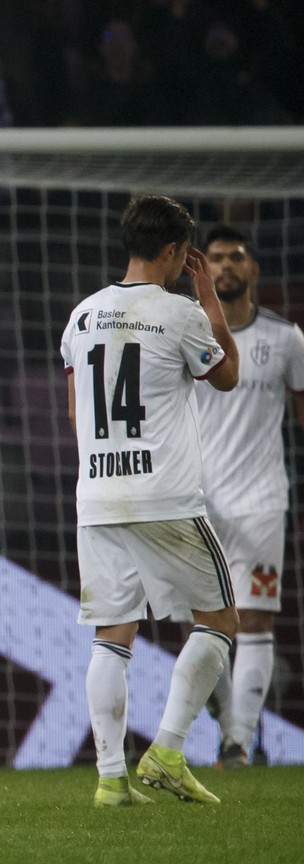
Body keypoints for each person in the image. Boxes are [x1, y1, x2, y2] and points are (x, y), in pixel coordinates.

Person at [60, 195, 240, 807]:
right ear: (172, 252)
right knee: (219, 620)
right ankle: (165, 750)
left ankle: (110, 779)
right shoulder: (181, 313)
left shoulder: (82, 317)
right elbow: (227, 375)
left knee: (112, 633)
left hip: (98, 495)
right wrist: (209, 295)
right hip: (164, 494)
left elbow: (76, 412)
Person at [191, 225, 304, 768]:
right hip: (197, 501)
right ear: (202, 269)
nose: (226, 266)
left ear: (254, 269)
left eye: (236, 257)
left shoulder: (287, 339)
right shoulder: (187, 334)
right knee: (206, 624)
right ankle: (229, 730)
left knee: (256, 620)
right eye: (215, 258)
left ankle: (237, 742)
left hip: (262, 497)